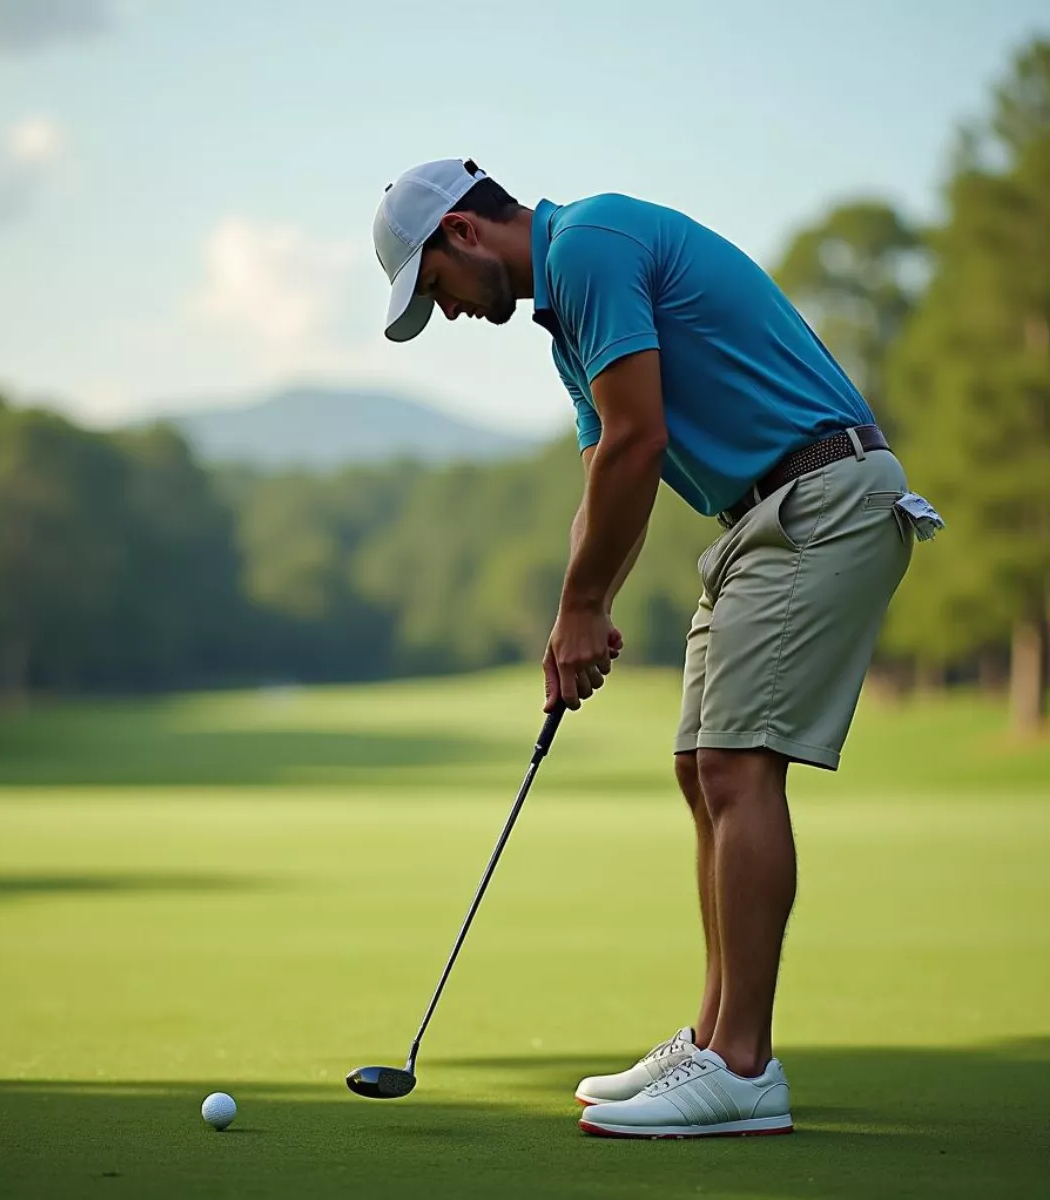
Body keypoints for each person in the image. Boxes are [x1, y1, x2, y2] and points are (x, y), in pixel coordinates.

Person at [372, 158, 938, 1139]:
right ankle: (713, 1037)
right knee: (698, 767)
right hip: (762, 518)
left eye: (435, 288)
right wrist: (576, 616)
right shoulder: (567, 322)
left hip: (822, 499)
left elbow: (641, 439)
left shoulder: (592, 245)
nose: (449, 313)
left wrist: (586, 605)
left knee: (735, 766)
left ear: (462, 234)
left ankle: (743, 1067)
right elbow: (608, 470)